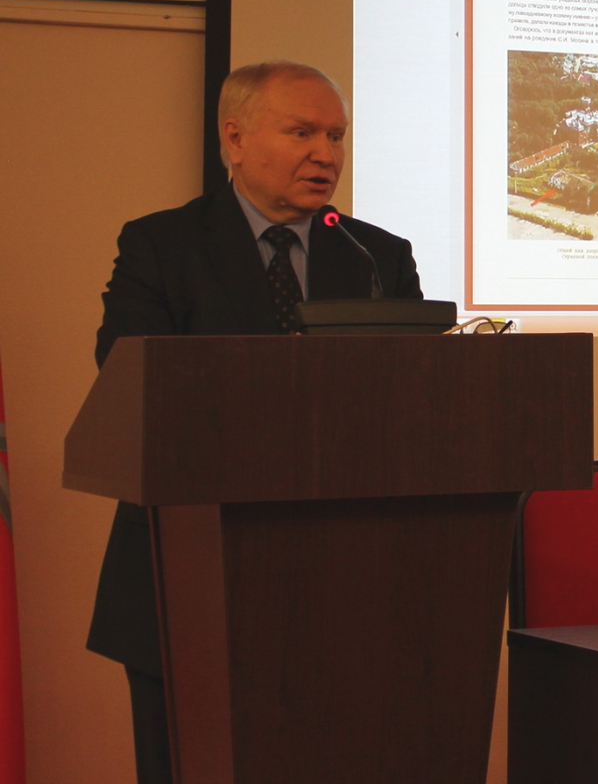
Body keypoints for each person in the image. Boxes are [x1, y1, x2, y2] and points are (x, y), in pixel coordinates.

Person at [89, 61, 424, 784]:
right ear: (235, 139)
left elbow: (413, 404)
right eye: (302, 132)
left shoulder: (376, 256)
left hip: (346, 581)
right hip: (186, 575)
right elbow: (128, 374)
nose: (326, 154)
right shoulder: (162, 245)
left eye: (336, 135)